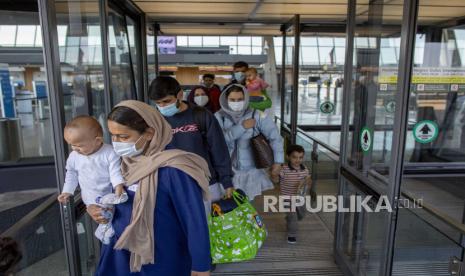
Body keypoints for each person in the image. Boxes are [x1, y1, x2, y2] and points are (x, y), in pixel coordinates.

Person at [88, 100, 211, 275]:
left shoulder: (174, 169)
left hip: (162, 260)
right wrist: (99, 209)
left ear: (148, 133)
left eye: (123, 137)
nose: (115, 143)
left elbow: (194, 221)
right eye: (112, 135)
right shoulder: (122, 164)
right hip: (120, 255)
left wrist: (201, 265)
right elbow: (114, 199)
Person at [149, 76, 234, 211]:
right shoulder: (156, 121)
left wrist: (227, 181)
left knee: (209, 228)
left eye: (166, 101)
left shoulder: (201, 115)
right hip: (172, 185)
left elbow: (219, 149)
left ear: (180, 95)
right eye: (158, 103)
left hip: (206, 184)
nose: (162, 106)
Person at [57, 115, 127, 244]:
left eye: (79, 145)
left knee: (107, 215)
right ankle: (104, 228)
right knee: (100, 215)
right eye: (71, 145)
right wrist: (67, 191)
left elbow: (115, 171)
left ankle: (106, 228)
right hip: (89, 196)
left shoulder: (109, 152)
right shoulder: (74, 156)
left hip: (107, 193)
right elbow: (71, 174)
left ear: (98, 140)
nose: (74, 149)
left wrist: (118, 186)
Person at [215, 84, 283, 200]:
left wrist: (278, 161)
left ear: (245, 98)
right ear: (226, 100)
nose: (236, 102)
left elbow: (275, 138)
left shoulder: (257, 115)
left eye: (240, 99)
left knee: (247, 204)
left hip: (250, 171)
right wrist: (242, 127)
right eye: (232, 100)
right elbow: (217, 141)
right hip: (226, 171)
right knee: (227, 204)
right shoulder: (218, 116)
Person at [279, 144, 311, 244]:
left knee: (301, 215)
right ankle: (291, 235)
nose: (298, 160)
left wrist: (307, 183)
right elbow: (276, 178)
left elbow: (308, 181)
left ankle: (289, 218)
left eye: (300, 157)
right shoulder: (284, 169)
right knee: (293, 217)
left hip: (300, 198)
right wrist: (274, 172)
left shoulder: (304, 169)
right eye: (294, 157)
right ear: (288, 157)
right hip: (287, 198)